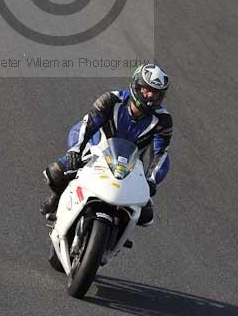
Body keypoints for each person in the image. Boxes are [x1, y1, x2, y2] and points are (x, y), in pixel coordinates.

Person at [40, 63, 173, 227]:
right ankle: (58, 196)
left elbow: (161, 153)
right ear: (136, 86)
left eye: (156, 93)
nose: (150, 96)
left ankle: (118, 234)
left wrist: (151, 179)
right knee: (56, 172)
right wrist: (75, 150)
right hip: (95, 150)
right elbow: (87, 125)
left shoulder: (163, 120)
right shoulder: (111, 100)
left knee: (146, 216)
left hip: (130, 165)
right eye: (147, 89)